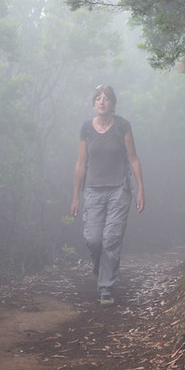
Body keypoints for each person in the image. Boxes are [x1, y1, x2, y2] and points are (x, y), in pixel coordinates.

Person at [71, 85, 145, 307]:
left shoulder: (122, 126)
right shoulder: (86, 128)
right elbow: (81, 163)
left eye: (106, 99)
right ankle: (102, 269)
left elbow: (133, 158)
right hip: (93, 190)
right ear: (94, 103)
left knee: (111, 239)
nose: (101, 102)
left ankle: (106, 287)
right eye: (98, 98)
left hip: (119, 190)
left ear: (113, 104)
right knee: (94, 239)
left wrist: (141, 188)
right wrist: (75, 196)